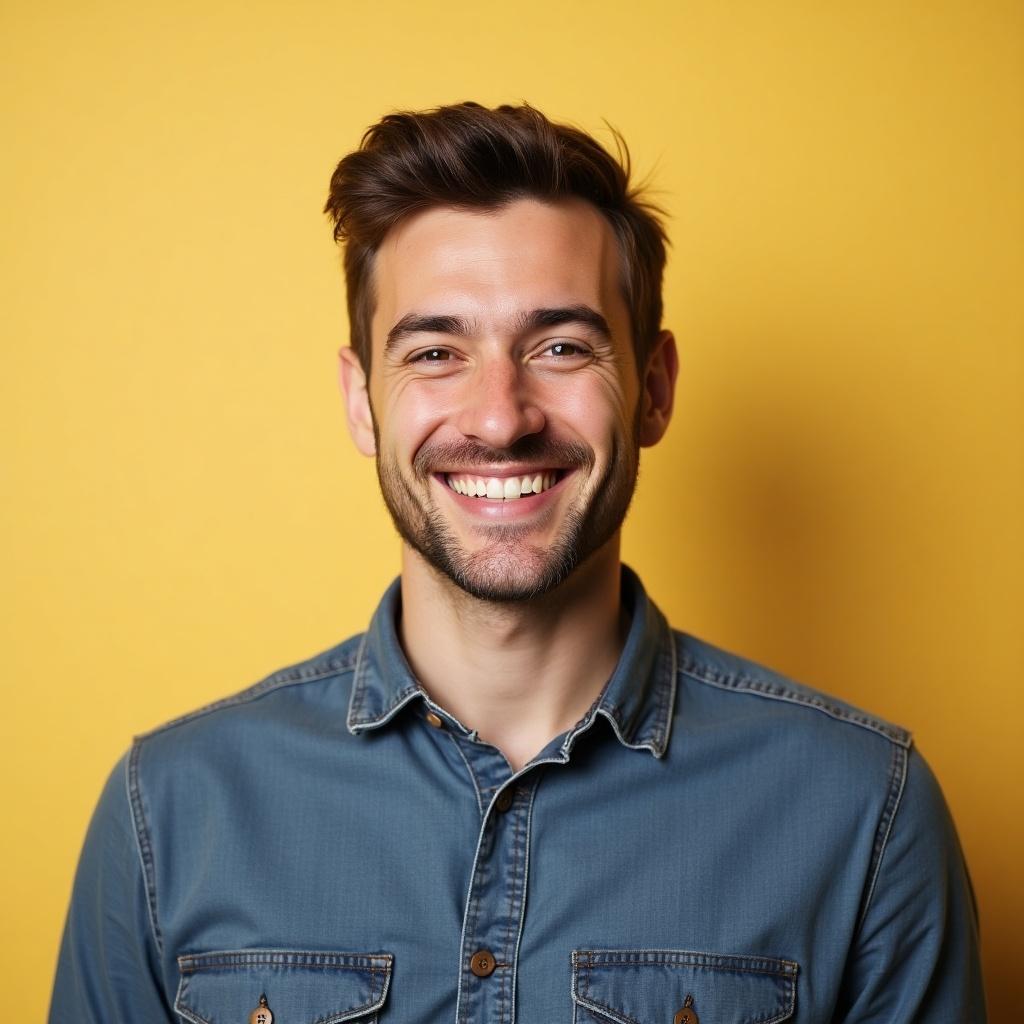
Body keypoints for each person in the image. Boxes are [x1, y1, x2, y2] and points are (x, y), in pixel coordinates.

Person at [50, 102, 985, 1023]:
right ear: (362, 402)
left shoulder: (866, 810)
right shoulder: (169, 812)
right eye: (434, 351)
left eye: (562, 346)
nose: (500, 417)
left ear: (653, 390)